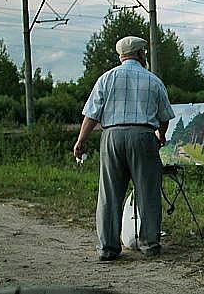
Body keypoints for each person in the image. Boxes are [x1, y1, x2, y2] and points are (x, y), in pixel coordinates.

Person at [73, 36, 175, 261]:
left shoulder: (106, 78)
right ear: (141, 55)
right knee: (148, 191)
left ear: (121, 56)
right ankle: (149, 244)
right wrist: (161, 135)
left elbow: (91, 115)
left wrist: (81, 140)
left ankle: (108, 248)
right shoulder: (153, 80)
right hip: (143, 135)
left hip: (112, 136)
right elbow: (164, 116)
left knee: (110, 193)